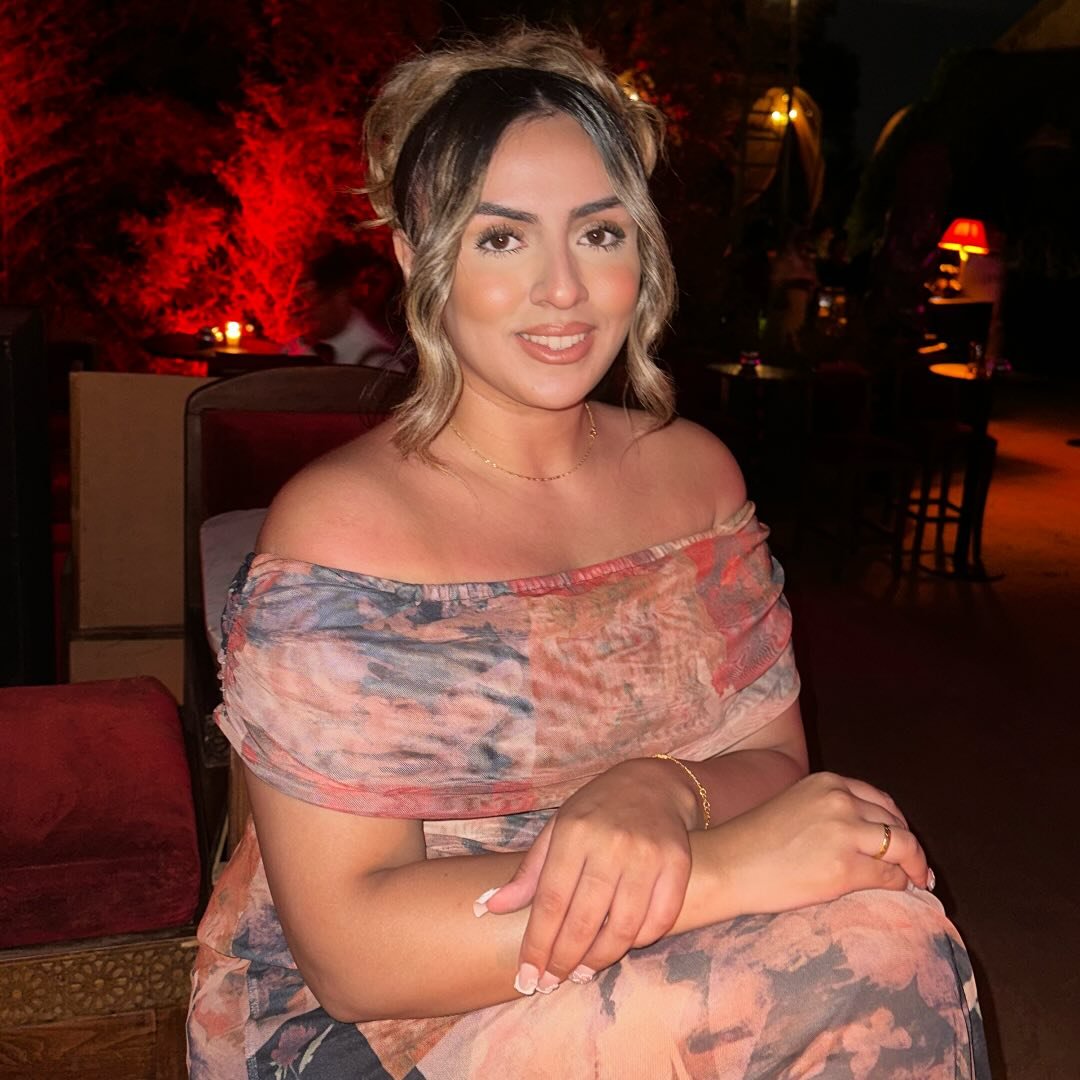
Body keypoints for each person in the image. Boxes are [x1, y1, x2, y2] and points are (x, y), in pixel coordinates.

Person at [187, 27, 990, 1079]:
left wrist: (662, 791)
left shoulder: (695, 476)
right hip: (411, 1005)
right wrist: (721, 871)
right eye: (502, 239)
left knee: (880, 896)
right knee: (879, 956)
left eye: (599, 233)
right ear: (418, 259)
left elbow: (772, 760)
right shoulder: (341, 530)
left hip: (643, 928)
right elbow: (355, 957)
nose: (562, 289)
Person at [286, 242, 410, 371]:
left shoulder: (379, 363)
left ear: (341, 294)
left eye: (313, 304)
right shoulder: (292, 343)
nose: (300, 313)